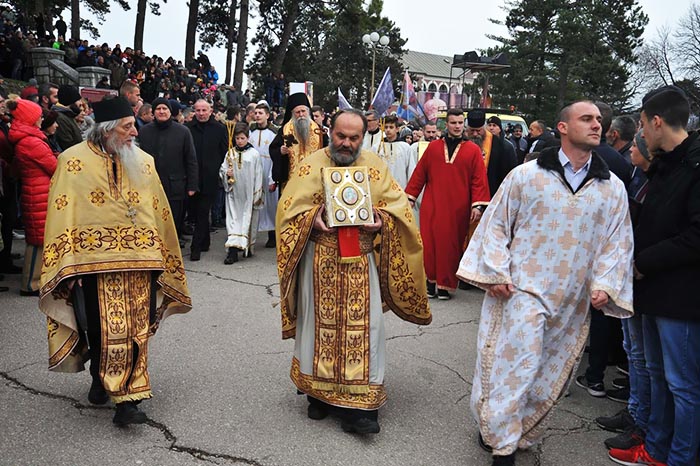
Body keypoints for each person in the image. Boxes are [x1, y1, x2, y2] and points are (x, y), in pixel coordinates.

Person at [457, 100, 634, 466]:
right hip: (522, 291)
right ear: (563, 127)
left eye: (598, 120)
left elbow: (617, 242)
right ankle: (503, 446)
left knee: (548, 372)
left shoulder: (612, 188)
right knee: (514, 366)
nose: (597, 124)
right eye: (586, 119)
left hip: (572, 299)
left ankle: (513, 429)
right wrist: (497, 272)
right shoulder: (526, 176)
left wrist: (605, 284)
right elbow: (497, 225)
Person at [276, 108, 431, 434]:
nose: (346, 143)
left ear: (363, 137)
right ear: (329, 132)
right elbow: (288, 212)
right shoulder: (310, 165)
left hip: (361, 261)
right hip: (319, 260)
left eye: (353, 138)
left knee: (366, 328)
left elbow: (399, 211)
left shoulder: (375, 167)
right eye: (340, 136)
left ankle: (361, 408)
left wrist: (380, 221)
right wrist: (312, 219)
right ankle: (319, 394)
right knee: (318, 327)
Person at [39, 96, 192, 426]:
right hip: (92, 267)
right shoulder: (72, 161)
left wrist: (161, 258)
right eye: (127, 127)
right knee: (99, 329)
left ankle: (129, 401)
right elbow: (63, 214)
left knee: (137, 330)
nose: (135, 132)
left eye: (134, 125)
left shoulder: (144, 162)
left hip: (140, 264)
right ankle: (100, 377)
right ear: (107, 130)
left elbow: (158, 211)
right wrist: (69, 266)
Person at [608, 85, 700, 466]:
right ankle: (656, 449)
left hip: (680, 298)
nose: (641, 133)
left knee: (683, 386)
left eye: (643, 125)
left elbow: (695, 237)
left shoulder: (694, 164)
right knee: (659, 376)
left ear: (658, 122)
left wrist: (643, 262)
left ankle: (679, 458)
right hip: (654, 292)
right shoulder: (668, 163)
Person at [596, 130, 651, 452]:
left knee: (645, 359)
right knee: (635, 353)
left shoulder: (651, 181)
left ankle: (642, 423)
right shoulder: (640, 178)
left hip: (644, 274)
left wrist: (641, 261)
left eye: (637, 146)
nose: (631, 151)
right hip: (631, 272)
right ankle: (635, 411)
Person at [405, 108, 490, 300]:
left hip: (458, 207)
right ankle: (430, 282)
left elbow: (479, 180)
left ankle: (445, 285)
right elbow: (419, 174)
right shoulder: (433, 148)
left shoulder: (473, 150)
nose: (457, 126)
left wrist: (477, 205)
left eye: (460, 123)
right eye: (453, 123)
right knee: (429, 243)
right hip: (432, 204)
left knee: (450, 246)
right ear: (446, 124)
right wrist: (410, 197)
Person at [7, 99, 56, 296]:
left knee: (38, 239)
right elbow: (53, 166)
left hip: (36, 191)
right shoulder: (31, 142)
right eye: (39, 116)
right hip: (38, 193)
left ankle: (34, 281)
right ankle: (30, 284)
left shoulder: (28, 139)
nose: (42, 119)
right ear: (31, 119)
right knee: (37, 242)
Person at [138, 98, 198, 242]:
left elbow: (191, 159)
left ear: (170, 112)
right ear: (153, 112)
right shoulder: (144, 131)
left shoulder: (183, 131)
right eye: (158, 109)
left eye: (164, 108)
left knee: (173, 221)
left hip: (175, 186)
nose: (161, 111)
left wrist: (192, 185)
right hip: (150, 185)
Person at [186, 99, 228, 261]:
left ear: (210, 111)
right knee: (196, 212)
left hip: (211, 177)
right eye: (198, 110)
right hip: (192, 177)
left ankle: (195, 247)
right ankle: (205, 240)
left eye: (204, 110)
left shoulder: (219, 129)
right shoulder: (187, 129)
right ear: (194, 111)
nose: (201, 113)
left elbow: (224, 152)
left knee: (203, 212)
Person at [220, 122, 263, 263]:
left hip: (248, 194)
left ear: (248, 138)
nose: (239, 141)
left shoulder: (254, 154)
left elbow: (258, 174)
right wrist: (226, 173)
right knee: (233, 220)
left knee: (246, 220)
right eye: (237, 138)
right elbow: (222, 169)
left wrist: (257, 194)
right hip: (233, 194)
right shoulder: (230, 153)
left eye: (242, 138)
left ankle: (246, 247)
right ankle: (232, 251)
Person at [269, 93, 323, 188]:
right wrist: (280, 151)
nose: (301, 115)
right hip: (291, 181)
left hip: (314, 181)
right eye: (297, 112)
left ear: (308, 111)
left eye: (303, 111)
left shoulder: (318, 130)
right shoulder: (285, 130)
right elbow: (274, 149)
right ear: (293, 114)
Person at [250, 102, 278, 248]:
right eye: (256, 113)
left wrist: (273, 178)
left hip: (268, 169)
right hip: (254, 170)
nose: (257, 115)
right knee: (254, 201)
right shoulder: (250, 132)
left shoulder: (274, 133)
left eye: (260, 113)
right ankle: (251, 236)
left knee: (271, 203)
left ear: (267, 115)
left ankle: (272, 234)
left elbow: (276, 155)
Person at [376, 114, 415, 188]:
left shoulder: (405, 147)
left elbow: (411, 169)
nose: (388, 130)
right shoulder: (377, 147)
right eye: (386, 127)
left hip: (401, 188)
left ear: (397, 129)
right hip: (382, 188)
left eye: (391, 127)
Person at [52, 84, 83, 150]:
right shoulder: (60, 118)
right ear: (70, 101)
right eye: (78, 100)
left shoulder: (68, 115)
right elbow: (68, 145)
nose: (81, 103)